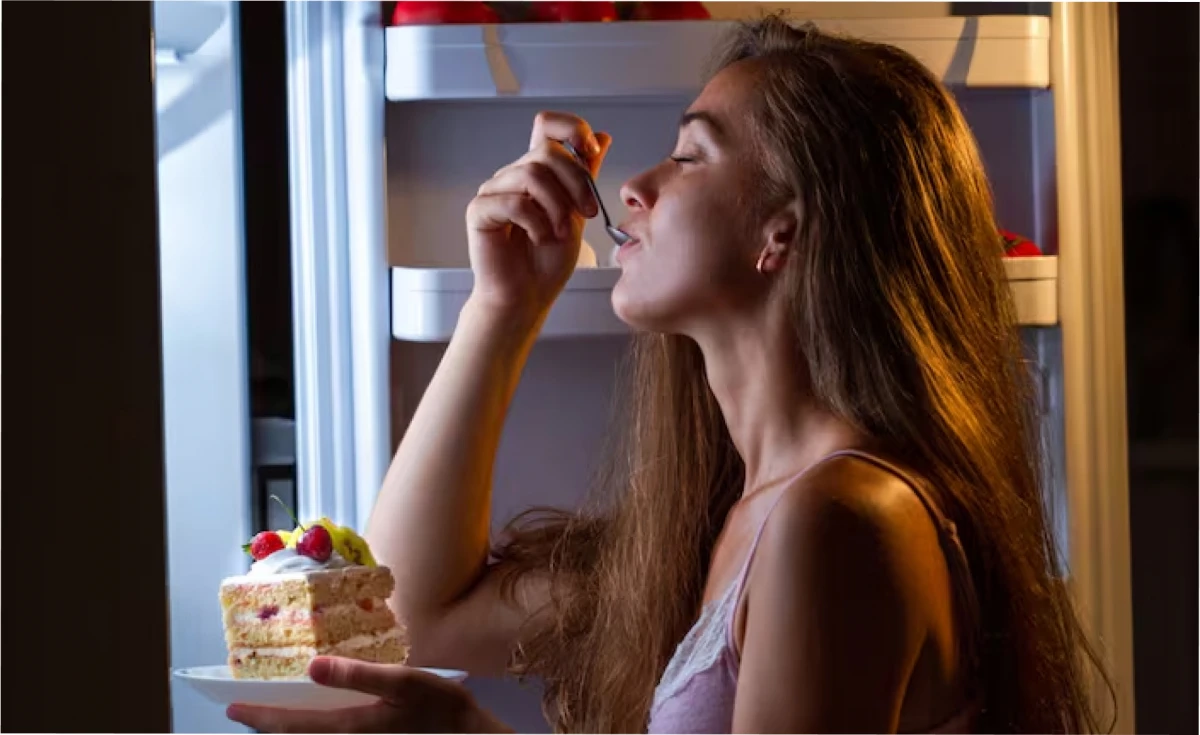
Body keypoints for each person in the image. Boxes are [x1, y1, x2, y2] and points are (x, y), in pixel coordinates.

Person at [228, 15, 1112, 734]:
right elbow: (412, 613)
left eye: (690, 155)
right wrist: (501, 309)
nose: (639, 186)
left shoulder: (843, 519)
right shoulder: (725, 524)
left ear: (784, 232)